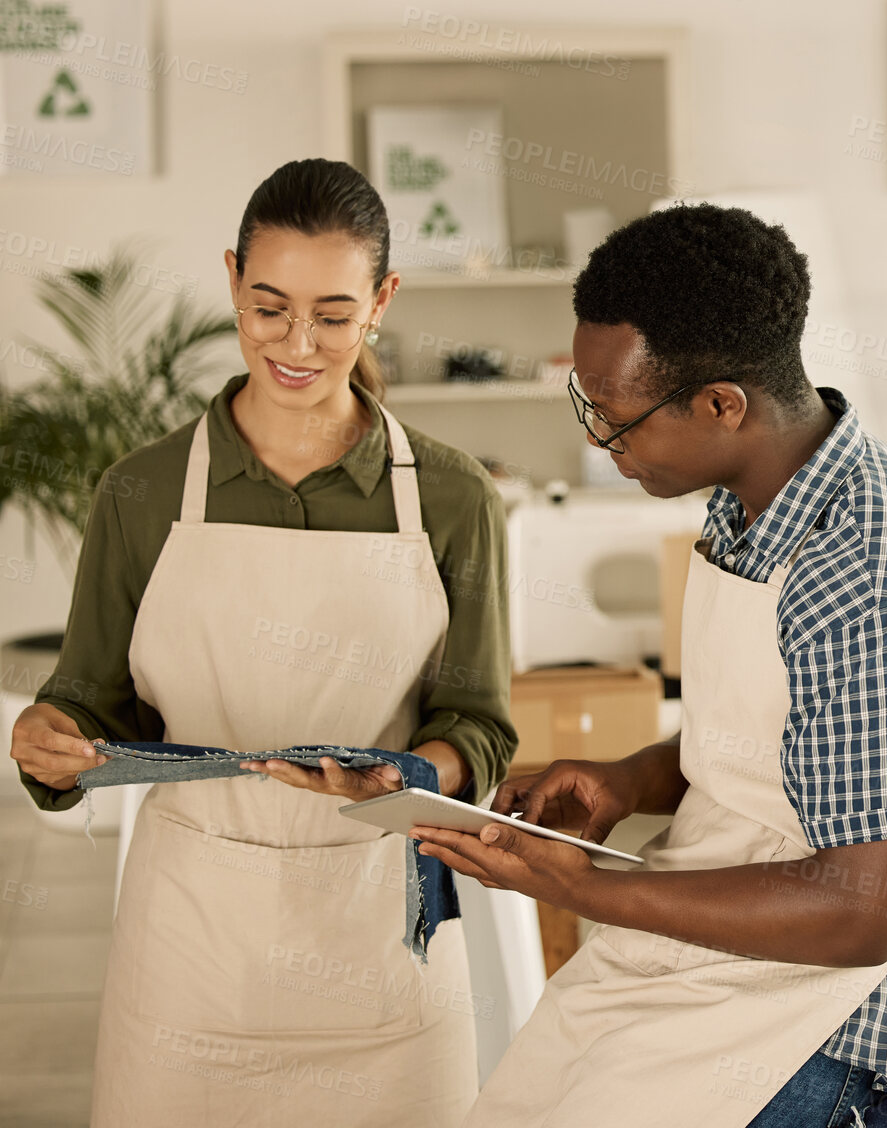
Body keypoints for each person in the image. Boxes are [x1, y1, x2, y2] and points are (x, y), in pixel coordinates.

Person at [410, 203, 887, 1128]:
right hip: (710, 927)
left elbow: (863, 913)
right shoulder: (753, 499)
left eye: (615, 418)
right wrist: (629, 779)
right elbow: (777, 726)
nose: (598, 440)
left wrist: (587, 885)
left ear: (721, 405)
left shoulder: (876, 575)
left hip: (821, 997)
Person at [8, 158, 516, 1127]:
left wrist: (407, 771)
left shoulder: (450, 496)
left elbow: (480, 725)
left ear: (382, 302)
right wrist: (50, 740)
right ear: (234, 278)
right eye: (268, 306)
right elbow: (88, 698)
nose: (296, 343)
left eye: (332, 314)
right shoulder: (143, 490)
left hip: (380, 941)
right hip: (191, 951)